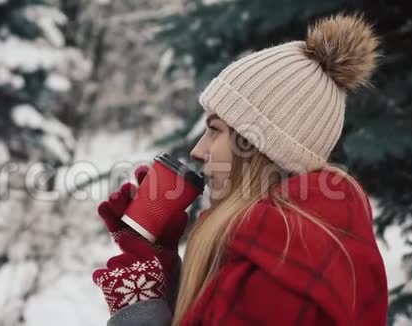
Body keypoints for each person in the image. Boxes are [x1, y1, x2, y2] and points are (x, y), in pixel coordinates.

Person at [92, 13, 388, 325]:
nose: (198, 151)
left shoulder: (279, 275)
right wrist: (164, 267)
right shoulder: (288, 249)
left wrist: (141, 308)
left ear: (256, 146)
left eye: (215, 130)